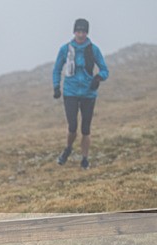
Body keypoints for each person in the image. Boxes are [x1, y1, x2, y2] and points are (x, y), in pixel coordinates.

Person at [52, 18, 109, 169]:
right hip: (70, 92)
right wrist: (56, 86)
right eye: (78, 31)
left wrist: (98, 78)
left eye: (83, 31)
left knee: (85, 128)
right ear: (74, 31)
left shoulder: (93, 49)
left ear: (87, 32)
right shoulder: (65, 49)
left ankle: (85, 159)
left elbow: (105, 70)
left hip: (88, 93)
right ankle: (68, 148)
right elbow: (57, 69)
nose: (81, 34)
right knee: (72, 126)